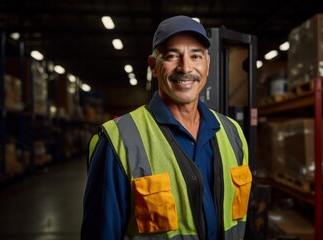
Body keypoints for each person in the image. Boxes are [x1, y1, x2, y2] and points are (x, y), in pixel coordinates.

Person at [81, 15, 252, 240]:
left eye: (196, 56)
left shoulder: (233, 133)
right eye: (172, 56)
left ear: (208, 65)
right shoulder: (118, 141)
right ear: (153, 65)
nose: (185, 67)